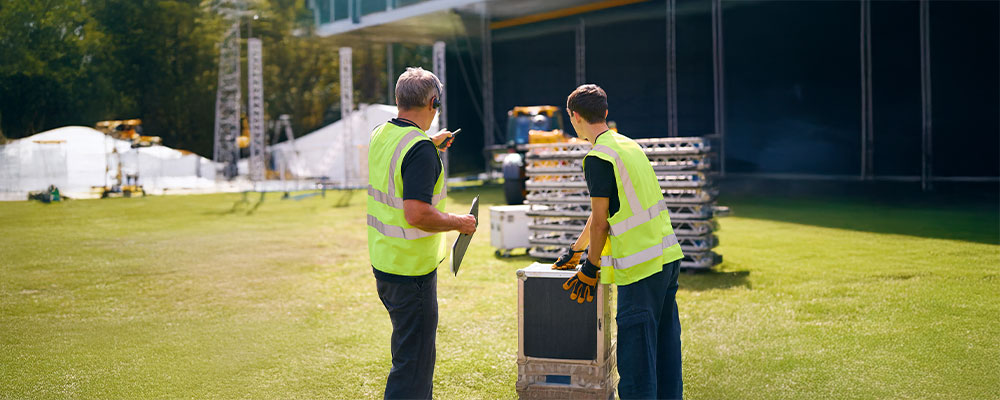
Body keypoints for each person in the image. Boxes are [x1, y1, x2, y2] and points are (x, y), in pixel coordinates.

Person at [555, 84, 685, 399]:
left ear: (574, 117)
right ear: (606, 113)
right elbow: (605, 211)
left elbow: (602, 223)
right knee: (665, 355)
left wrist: (589, 267)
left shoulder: (598, 158)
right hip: (666, 260)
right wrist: (576, 249)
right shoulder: (627, 145)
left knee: (637, 364)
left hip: (639, 270)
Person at [366, 67, 477, 399]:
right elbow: (417, 214)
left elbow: (400, 159)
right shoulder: (419, 149)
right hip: (411, 273)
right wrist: (461, 222)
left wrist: (429, 142)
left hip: (387, 264)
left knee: (408, 356)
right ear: (433, 101)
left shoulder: (381, 133)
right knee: (412, 370)